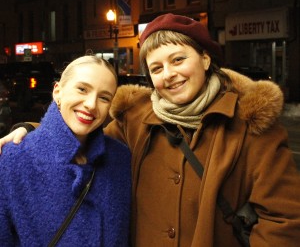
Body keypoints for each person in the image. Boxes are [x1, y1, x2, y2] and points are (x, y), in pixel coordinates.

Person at [1, 13, 300, 246]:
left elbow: (284, 219)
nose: (169, 74)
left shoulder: (251, 124)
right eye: (156, 68)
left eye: (178, 59)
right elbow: (86, 141)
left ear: (206, 59)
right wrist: (32, 131)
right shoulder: (136, 119)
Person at [0, 55, 131, 246]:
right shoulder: (14, 158)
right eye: (82, 89)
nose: (91, 104)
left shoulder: (120, 158)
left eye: (104, 97)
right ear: (57, 91)